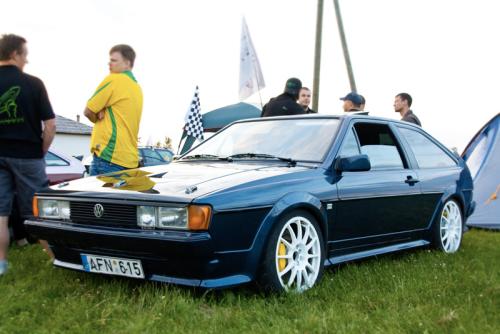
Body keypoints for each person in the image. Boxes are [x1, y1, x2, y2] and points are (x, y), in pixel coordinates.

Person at [0, 34, 56, 275]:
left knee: (0, 213)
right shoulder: (33, 83)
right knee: (39, 209)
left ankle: (1, 263)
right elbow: (51, 125)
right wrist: (41, 150)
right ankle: (55, 258)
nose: (27, 60)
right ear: (15, 54)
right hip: (28, 155)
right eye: (25, 55)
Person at [84, 44, 143, 176]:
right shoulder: (136, 87)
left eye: (114, 60)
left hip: (108, 158)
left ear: (127, 63)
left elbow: (88, 111)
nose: (110, 64)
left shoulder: (114, 79)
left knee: (97, 196)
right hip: (130, 160)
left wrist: (98, 115)